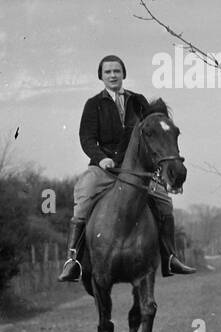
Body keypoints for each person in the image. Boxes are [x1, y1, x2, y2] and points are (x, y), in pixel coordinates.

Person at [59, 54, 196, 282]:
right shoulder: (93, 105)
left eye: (117, 71)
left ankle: (170, 256)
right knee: (83, 193)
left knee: (164, 201)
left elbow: (153, 128)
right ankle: (73, 260)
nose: (113, 75)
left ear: (123, 74)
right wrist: (101, 158)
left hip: (135, 170)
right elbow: (87, 138)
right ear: (101, 77)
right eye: (108, 72)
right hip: (104, 169)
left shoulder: (138, 101)